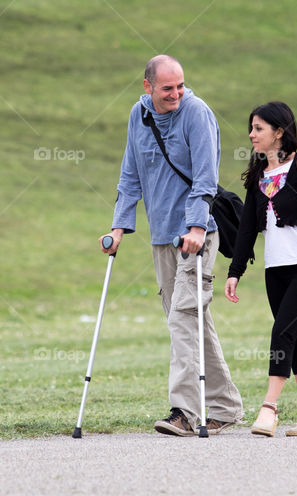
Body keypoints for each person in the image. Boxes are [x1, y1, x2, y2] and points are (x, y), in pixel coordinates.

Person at [101, 54, 243, 436]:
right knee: (191, 319)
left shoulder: (197, 113)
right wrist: (119, 227)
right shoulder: (139, 115)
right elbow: (130, 173)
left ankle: (184, 411)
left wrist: (196, 225)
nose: (176, 94)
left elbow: (206, 176)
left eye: (180, 86)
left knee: (183, 317)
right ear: (147, 87)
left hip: (198, 235)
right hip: (161, 236)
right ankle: (226, 406)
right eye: (168, 88)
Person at [224, 102, 297, 437]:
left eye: (259, 129)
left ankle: (269, 409)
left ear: (279, 132)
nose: (252, 135)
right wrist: (235, 270)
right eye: (251, 129)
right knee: (295, 337)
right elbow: (247, 229)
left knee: (281, 333)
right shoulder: (258, 174)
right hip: (275, 270)